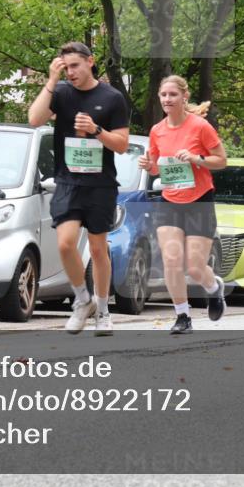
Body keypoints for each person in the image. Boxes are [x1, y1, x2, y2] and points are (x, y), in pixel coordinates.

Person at [28, 42, 129, 335]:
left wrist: (97, 130)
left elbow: (122, 145)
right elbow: (34, 119)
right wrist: (51, 80)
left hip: (100, 185)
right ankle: (83, 300)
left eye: (75, 66)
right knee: (65, 243)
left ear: (90, 62)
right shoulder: (60, 93)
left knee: (98, 249)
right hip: (67, 181)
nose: (70, 72)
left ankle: (103, 310)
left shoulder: (112, 98)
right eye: (65, 67)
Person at [138, 75, 228, 334]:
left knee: (195, 267)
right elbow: (158, 167)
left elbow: (221, 160)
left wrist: (196, 158)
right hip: (170, 201)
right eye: (164, 95)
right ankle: (182, 316)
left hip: (199, 200)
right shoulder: (157, 130)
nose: (167, 99)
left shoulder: (200, 127)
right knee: (171, 260)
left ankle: (214, 288)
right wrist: (149, 166)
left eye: (173, 94)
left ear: (184, 97)